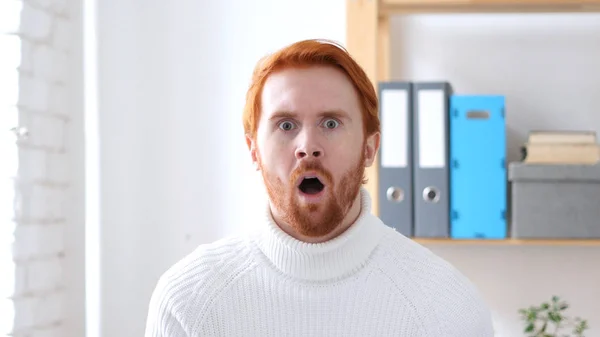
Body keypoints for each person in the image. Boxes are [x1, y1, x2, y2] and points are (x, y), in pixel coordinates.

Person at [144, 39, 495, 337]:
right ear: (253, 150)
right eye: (286, 125)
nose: (308, 146)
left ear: (370, 148)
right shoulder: (189, 301)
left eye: (330, 123)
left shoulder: (447, 308)